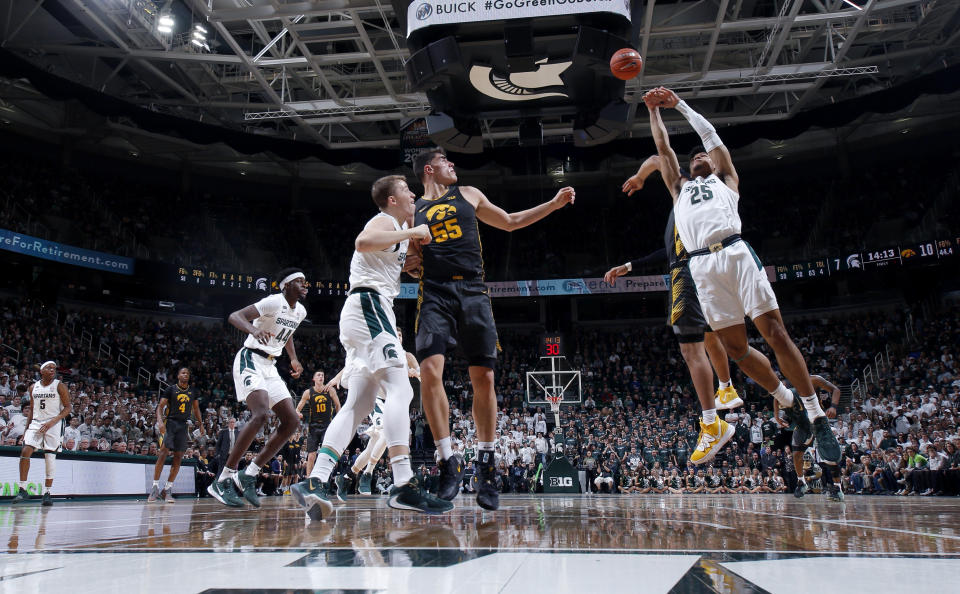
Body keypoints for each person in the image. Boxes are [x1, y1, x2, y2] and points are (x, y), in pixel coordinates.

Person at [642, 86, 840, 466]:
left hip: (735, 252)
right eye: (694, 157)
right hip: (701, 266)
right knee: (735, 349)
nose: (698, 155)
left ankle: (817, 416)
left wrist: (680, 104)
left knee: (776, 333)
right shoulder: (678, 188)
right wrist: (653, 111)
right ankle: (788, 400)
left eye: (703, 155)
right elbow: (663, 149)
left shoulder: (726, 179)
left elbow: (710, 138)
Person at [410, 148, 575, 511]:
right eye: (445, 162)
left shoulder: (469, 194)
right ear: (429, 169)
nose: (453, 164)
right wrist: (408, 258)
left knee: (484, 377)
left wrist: (553, 204)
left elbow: (512, 221)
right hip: (434, 291)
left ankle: (486, 466)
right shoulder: (412, 209)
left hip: (473, 289)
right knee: (428, 371)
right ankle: (447, 461)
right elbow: (405, 257)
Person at [291, 174, 452, 520]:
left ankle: (315, 480)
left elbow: (400, 260)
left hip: (361, 313)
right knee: (401, 389)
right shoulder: (384, 220)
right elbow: (363, 242)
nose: (413, 195)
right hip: (370, 307)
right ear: (392, 200)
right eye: (407, 192)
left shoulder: (397, 230)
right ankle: (403, 482)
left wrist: (415, 255)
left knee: (358, 404)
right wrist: (411, 233)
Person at [606, 153, 743, 466]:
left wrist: (641, 177)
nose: (698, 158)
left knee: (693, 350)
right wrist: (630, 265)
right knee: (710, 338)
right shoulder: (693, 201)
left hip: (689, 271)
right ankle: (726, 388)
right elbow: (666, 249)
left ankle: (712, 421)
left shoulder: (689, 189)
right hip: (702, 268)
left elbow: (657, 157)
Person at [208, 268, 307, 508]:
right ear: (285, 286)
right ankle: (223, 478)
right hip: (250, 358)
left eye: (306, 282)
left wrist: (293, 358)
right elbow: (235, 316)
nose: (305, 285)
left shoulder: (300, 311)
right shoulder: (273, 301)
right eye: (299, 281)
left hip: (270, 365)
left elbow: (288, 332)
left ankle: (250, 473)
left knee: (292, 421)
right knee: (261, 414)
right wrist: (254, 329)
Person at [341, 328, 421, 496]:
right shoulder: (382, 350)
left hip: (393, 400)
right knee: (386, 432)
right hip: (377, 398)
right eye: (395, 335)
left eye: (400, 335)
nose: (398, 337)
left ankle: (348, 476)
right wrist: (338, 378)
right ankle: (368, 473)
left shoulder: (407, 356)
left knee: (372, 447)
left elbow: (421, 375)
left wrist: (416, 373)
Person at [775, 374, 844, 501]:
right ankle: (801, 482)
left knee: (829, 456)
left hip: (817, 419)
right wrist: (776, 416)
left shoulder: (814, 380)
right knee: (796, 454)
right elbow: (775, 397)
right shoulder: (785, 385)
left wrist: (833, 406)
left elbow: (836, 390)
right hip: (801, 424)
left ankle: (837, 488)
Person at [13, 361, 71, 506]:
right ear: (41, 371)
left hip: (54, 423)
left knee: (49, 457)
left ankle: (47, 492)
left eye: (54, 368)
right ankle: (22, 489)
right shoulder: (33, 387)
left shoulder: (59, 385)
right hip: (36, 423)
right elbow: (32, 409)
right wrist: (26, 430)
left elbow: (68, 407)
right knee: (25, 451)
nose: (52, 370)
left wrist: (52, 422)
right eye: (49, 368)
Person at [148, 367, 204, 503]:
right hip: (170, 423)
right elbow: (160, 407)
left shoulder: (193, 392)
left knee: (178, 457)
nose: (186, 375)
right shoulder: (170, 389)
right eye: (183, 373)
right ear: (178, 375)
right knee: (163, 453)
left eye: (188, 373)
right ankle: (154, 487)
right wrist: (160, 422)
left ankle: (167, 489)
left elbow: (196, 409)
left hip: (183, 425)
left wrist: (201, 423)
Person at [295, 371, 340, 476]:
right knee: (311, 456)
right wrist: (298, 413)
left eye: (323, 375)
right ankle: (308, 479)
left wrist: (338, 420)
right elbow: (298, 408)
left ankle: (325, 478)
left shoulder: (330, 390)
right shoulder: (308, 392)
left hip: (327, 426)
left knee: (326, 454)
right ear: (313, 379)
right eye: (318, 375)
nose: (321, 377)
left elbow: (337, 405)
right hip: (313, 426)